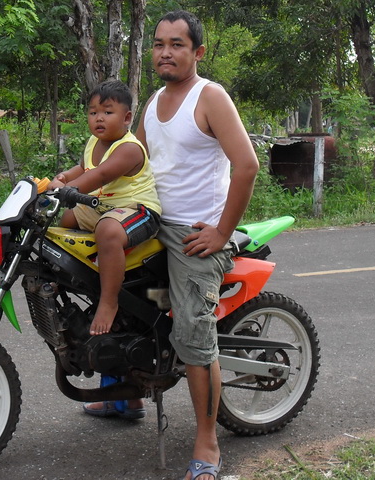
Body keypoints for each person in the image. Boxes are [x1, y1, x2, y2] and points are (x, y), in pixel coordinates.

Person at [133, 10, 259, 480]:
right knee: (108, 290)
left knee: (192, 329)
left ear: (198, 52)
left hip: (195, 232)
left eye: (177, 44)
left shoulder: (210, 97)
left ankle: (207, 442)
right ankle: (124, 397)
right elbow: (134, 160)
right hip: (151, 220)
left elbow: (247, 166)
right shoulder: (153, 101)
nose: (165, 52)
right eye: (159, 44)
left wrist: (222, 233)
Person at [48, 79, 162, 343]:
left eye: (108, 112)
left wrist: (65, 189)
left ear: (127, 118)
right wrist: (63, 178)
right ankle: (79, 275)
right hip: (103, 207)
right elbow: (83, 169)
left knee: (108, 231)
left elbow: (99, 175)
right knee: (67, 218)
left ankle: (109, 301)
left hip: (137, 210)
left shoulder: (129, 148)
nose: (99, 118)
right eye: (93, 112)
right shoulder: (93, 142)